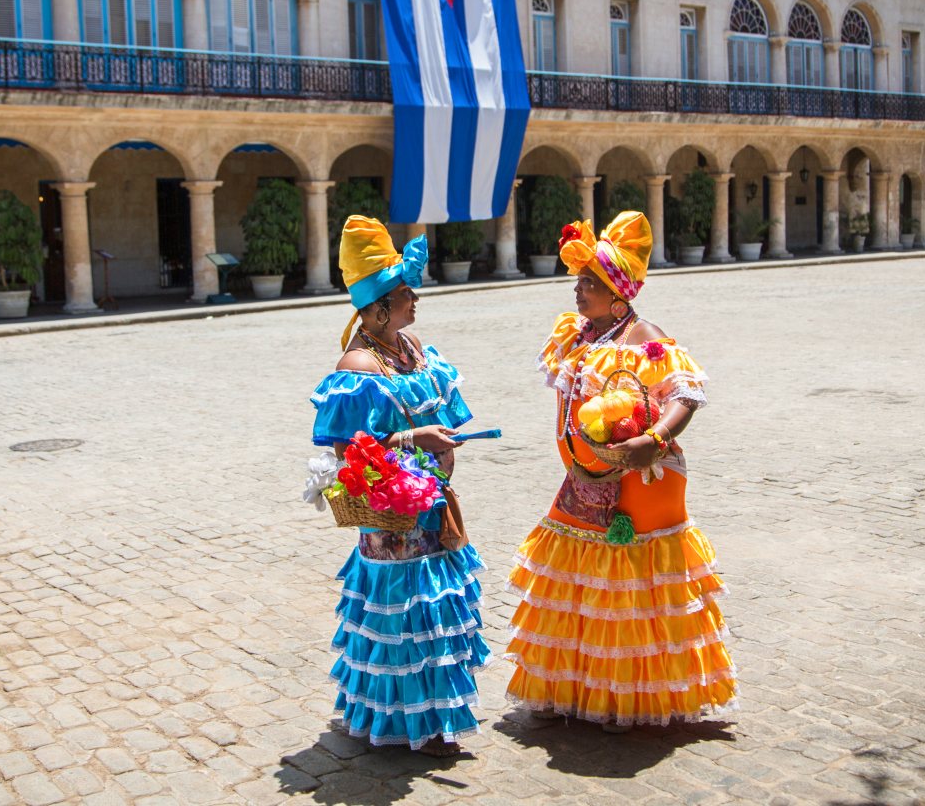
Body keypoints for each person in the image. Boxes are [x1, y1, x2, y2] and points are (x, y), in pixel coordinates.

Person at [504, 211, 736, 731]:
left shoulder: (644, 336)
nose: (578, 291)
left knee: (629, 584)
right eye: (579, 281)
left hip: (641, 480)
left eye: (590, 283)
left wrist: (653, 440)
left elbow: (684, 395)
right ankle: (570, 684)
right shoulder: (580, 335)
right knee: (578, 576)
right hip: (586, 479)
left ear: (618, 294)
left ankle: (626, 696)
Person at [308, 216, 490, 756]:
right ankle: (407, 722)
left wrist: (440, 442)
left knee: (434, 616)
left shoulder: (411, 351)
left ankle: (430, 718)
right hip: (393, 520)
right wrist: (413, 436)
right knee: (404, 621)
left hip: (432, 508)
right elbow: (350, 455)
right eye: (407, 294)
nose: (417, 303)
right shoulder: (359, 365)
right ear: (381, 305)